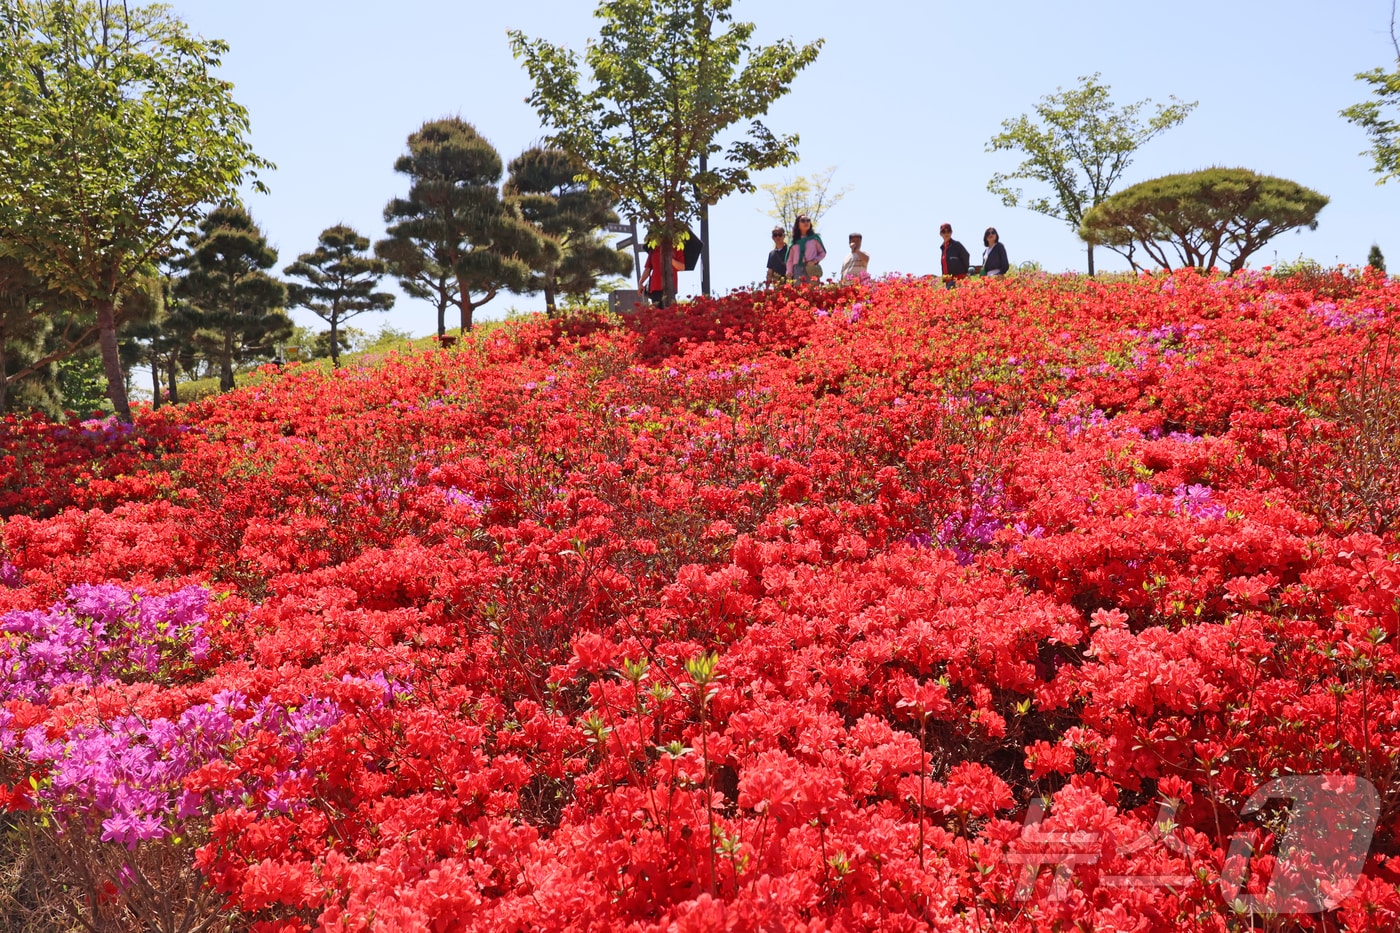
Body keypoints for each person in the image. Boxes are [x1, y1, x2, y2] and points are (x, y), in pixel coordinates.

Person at [785, 214, 827, 282]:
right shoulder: (793, 241)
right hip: (798, 270)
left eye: (808, 220)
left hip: (811, 269)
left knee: (812, 288)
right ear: (798, 224)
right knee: (798, 288)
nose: (806, 222)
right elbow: (790, 259)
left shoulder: (815, 238)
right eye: (803, 221)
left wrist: (814, 261)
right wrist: (789, 272)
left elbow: (822, 253)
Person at [642, 241, 685, 305]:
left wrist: (670, 259)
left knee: (670, 310)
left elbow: (682, 267)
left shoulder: (677, 247)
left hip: (670, 288)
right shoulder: (653, 249)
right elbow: (647, 269)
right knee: (657, 310)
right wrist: (640, 283)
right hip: (655, 289)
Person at [939, 223, 970, 288]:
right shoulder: (943, 248)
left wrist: (966, 272)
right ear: (940, 234)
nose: (946, 233)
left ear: (951, 232)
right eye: (944, 231)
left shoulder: (956, 245)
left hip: (959, 279)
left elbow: (966, 256)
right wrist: (945, 281)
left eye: (948, 231)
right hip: (949, 281)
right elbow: (945, 267)